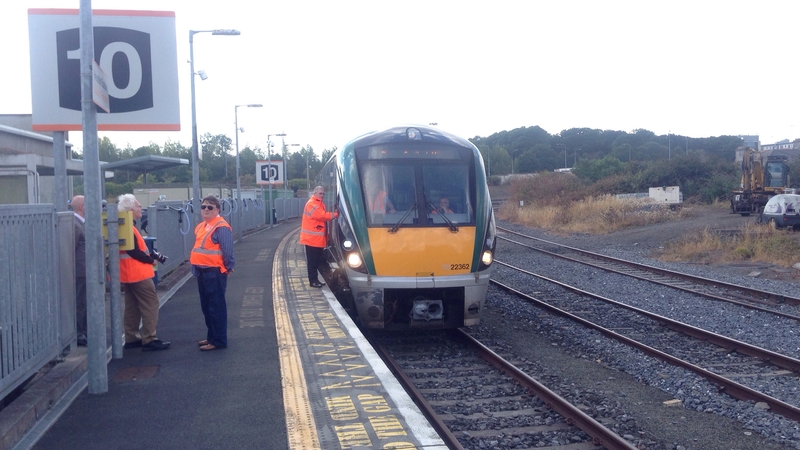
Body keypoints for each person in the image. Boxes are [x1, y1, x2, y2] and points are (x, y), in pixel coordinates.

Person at [118, 194, 171, 352]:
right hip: (138, 273)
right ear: (130, 209)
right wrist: (150, 260)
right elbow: (133, 251)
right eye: (138, 206)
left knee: (132, 306)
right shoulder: (128, 227)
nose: (141, 208)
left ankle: (131, 338)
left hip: (128, 273)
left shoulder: (124, 225)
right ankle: (149, 338)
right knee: (151, 304)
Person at [190, 196, 235, 351]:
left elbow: (228, 249)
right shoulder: (201, 226)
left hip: (214, 272)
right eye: (204, 207)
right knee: (207, 307)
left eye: (210, 207)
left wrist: (228, 267)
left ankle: (219, 340)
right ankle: (211, 337)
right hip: (202, 271)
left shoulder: (221, 227)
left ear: (218, 210)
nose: (206, 210)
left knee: (216, 307)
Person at [300, 186, 338, 288]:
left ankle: (316, 280)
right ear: (315, 193)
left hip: (316, 240)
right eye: (320, 193)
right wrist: (336, 214)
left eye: (323, 194)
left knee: (317, 261)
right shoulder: (312, 204)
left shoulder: (319, 204)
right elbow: (322, 216)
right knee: (312, 262)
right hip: (311, 240)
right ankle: (313, 281)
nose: (322, 195)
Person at [71, 195, 87, 347]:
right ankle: (79, 333)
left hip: (85, 271)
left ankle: (84, 331)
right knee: (80, 302)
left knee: (84, 302)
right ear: (82, 207)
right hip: (81, 271)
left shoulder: (80, 223)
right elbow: (71, 249)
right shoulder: (75, 225)